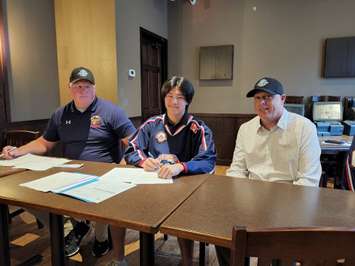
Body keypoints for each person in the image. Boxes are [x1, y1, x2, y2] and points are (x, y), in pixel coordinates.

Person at [1, 66, 136, 258]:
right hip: (70, 173)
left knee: (106, 196)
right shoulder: (60, 114)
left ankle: (100, 236)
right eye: (78, 86)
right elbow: (44, 143)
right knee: (29, 195)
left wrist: (123, 163)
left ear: (94, 88)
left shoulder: (112, 111)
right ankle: (74, 228)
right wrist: (18, 151)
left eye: (87, 86)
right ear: (69, 88)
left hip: (104, 173)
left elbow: (133, 141)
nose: (83, 90)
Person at [107, 76, 217, 266]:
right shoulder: (152, 124)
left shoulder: (198, 128)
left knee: (185, 213)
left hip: (184, 188)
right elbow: (131, 148)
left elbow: (208, 160)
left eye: (180, 97)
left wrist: (181, 166)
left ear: (188, 100)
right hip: (152, 185)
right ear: (164, 97)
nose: (174, 101)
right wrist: (143, 162)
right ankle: (118, 259)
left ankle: (187, 261)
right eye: (170, 95)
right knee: (118, 204)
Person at [215, 77, 322, 266]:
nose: (261, 103)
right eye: (257, 98)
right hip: (251, 202)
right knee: (223, 233)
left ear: (283, 99)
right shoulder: (245, 129)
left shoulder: (304, 128)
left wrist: (277, 211)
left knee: (279, 246)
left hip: (290, 205)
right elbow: (237, 170)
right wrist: (239, 200)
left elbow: (308, 180)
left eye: (267, 97)